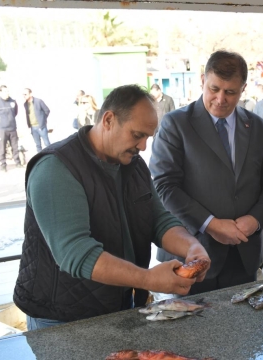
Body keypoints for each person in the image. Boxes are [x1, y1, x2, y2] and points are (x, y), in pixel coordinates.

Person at [13, 84, 210, 330]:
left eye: (148, 137)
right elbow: (76, 253)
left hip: (117, 305)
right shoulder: (56, 168)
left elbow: (158, 219)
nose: (143, 147)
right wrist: (148, 279)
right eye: (137, 135)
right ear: (108, 120)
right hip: (60, 317)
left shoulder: (133, 164)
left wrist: (192, 247)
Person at [150, 50, 263, 294]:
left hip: (244, 255)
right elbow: (164, 186)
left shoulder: (257, 127)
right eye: (214, 89)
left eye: (230, 92)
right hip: (192, 254)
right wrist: (210, 224)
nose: (220, 99)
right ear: (202, 81)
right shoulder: (175, 124)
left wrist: (254, 220)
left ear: (243, 89)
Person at [0, 85, 22, 171]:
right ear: (0, 92)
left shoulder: (13, 101)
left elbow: (15, 112)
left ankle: (17, 162)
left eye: (7, 91)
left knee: (15, 147)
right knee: (2, 148)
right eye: (4, 91)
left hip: (12, 128)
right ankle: (3, 164)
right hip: (2, 129)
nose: (6, 93)